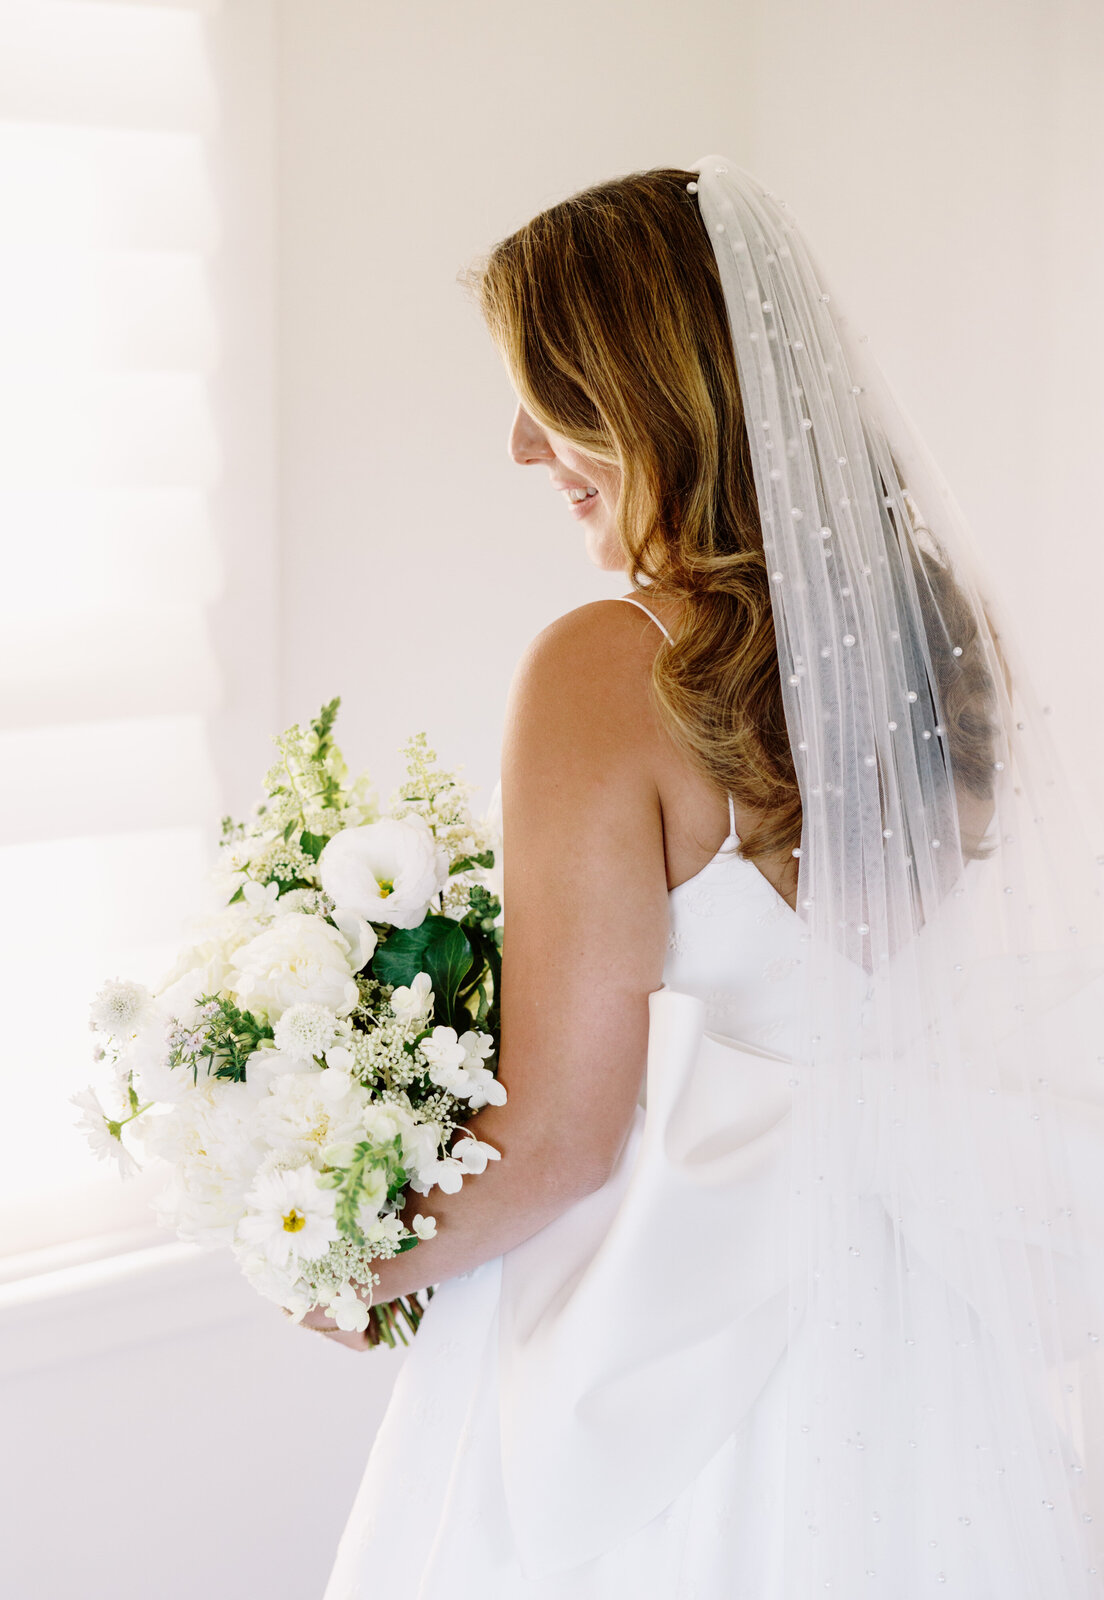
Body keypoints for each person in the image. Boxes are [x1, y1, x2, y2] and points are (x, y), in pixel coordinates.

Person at [313, 162, 1104, 1598]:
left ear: (648, 392)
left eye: (548, 400)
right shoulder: (934, 647)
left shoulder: (607, 665)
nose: (516, 446)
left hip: (671, 1353)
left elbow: (561, 1136)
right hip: (916, 1336)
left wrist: (340, 1256)